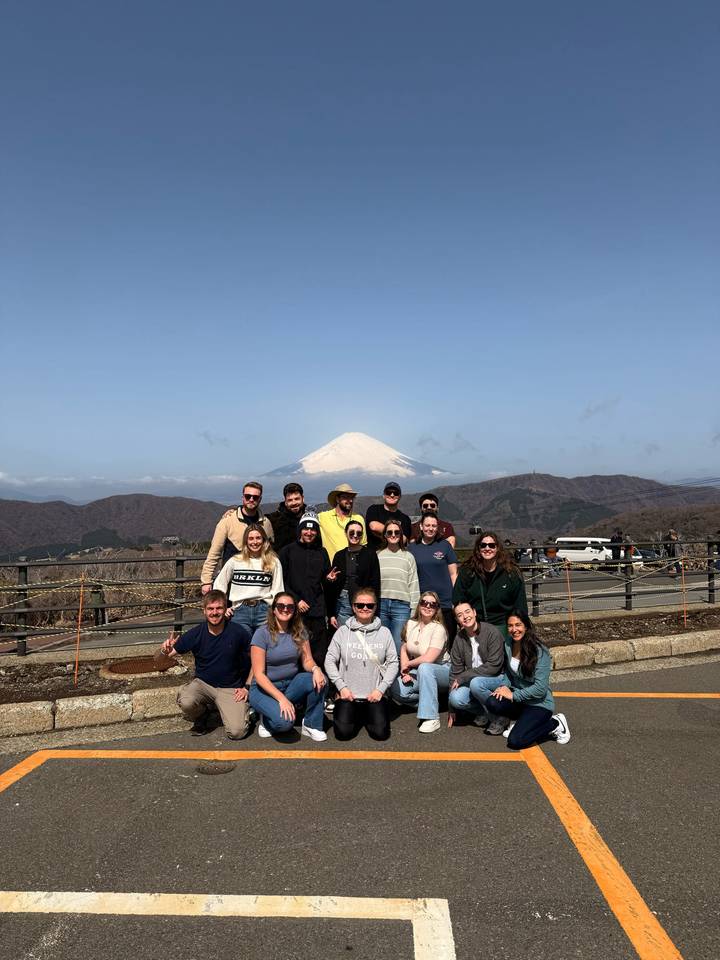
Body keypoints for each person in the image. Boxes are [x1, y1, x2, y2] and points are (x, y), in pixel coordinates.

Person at [162, 590, 252, 739]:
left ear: (225, 609)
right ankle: (202, 714)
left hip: (230, 688)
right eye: (210, 609)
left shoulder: (238, 632)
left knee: (237, 732)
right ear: (204, 611)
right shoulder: (196, 633)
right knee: (186, 701)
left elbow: (257, 660)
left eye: (219, 608)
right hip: (204, 684)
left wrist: (247, 687)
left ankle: (242, 710)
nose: (215, 613)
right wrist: (164, 651)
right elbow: (160, 660)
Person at [485, 610, 570, 749]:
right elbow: (508, 672)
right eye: (510, 625)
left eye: (518, 625)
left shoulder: (540, 651)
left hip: (539, 703)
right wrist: (505, 685)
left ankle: (555, 724)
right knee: (492, 702)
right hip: (521, 702)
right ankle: (521, 721)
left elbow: (540, 689)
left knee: (516, 741)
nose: (514, 630)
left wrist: (513, 695)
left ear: (526, 626)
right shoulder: (508, 644)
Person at [248, 593, 327, 741]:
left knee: (320, 680)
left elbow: (308, 660)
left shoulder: (299, 631)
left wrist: (316, 669)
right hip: (264, 689)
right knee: (284, 724)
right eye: (281, 606)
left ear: (295, 610)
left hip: (290, 685)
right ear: (274, 610)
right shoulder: (262, 634)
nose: (285, 609)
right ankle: (266, 719)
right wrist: (281, 699)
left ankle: (311, 724)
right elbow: (258, 675)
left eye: (290, 606)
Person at [324, 587, 399, 740]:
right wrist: (341, 687)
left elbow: (393, 662)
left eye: (369, 605)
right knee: (343, 734)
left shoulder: (384, 632)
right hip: (348, 695)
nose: (365, 608)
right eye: (360, 605)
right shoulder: (342, 632)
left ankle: (366, 714)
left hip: (374, 695)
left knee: (380, 734)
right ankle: (356, 714)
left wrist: (381, 689)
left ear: (375, 607)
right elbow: (329, 660)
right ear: (353, 607)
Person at [391, 591, 449, 734]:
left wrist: (408, 665)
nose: (428, 606)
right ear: (419, 605)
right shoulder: (411, 623)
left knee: (425, 667)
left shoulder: (438, 628)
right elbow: (404, 648)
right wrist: (404, 671)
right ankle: (433, 702)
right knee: (398, 690)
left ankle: (431, 717)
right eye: (424, 602)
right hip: (420, 668)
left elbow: (429, 658)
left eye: (432, 604)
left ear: (437, 608)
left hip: (443, 670)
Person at [200, 481, 274, 593]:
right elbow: (215, 552)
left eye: (255, 497)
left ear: (260, 499)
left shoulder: (266, 523)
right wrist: (206, 581)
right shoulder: (227, 521)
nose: (251, 499)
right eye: (248, 496)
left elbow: (270, 551)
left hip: (258, 583)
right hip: (232, 581)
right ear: (242, 497)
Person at [279, 512, 332, 668]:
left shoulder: (322, 552)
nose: (309, 533)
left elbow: (324, 578)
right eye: (306, 529)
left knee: (319, 651)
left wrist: (329, 579)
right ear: (300, 530)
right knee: (295, 649)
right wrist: (296, 601)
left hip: (317, 610)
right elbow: (281, 581)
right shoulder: (287, 551)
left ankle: (319, 685)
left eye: (313, 529)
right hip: (294, 611)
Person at [447, 602, 507, 734]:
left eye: (467, 612)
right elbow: (455, 672)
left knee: (476, 683)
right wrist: (451, 707)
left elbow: (494, 666)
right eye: (460, 615)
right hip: (475, 680)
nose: (465, 617)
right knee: (456, 698)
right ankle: (484, 712)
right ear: (457, 620)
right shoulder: (459, 638)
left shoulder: (491, 632)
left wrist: (465, 676)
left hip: (497, 677)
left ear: (474, 612)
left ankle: (499, 717)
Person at [213, 523, 284, 633]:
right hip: (239, 611)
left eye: (258, 538)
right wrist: (223, 607)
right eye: (251, 538)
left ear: (264, 540)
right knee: (242, 647)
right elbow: (219, 585)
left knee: (263, 647)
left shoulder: (273, 562)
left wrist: (276, 611)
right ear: (246, 541)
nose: (254, 542)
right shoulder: (235, 561)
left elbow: (278, 590)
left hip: (264, 611)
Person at [453, 532, 528, 631]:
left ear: (497, 548)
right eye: (483, 545)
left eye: (492, 545)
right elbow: (458, 599)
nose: (487, 548)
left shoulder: (511, 573)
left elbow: (520, 604)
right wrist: (464, 623)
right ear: (478, 549)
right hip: (476, 625)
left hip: (504, 625)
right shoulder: (468, 572)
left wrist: (519, 627)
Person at [408, 512, 458, 641]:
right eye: (427, 525)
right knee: (425, 639)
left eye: (434, 526)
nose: (430, 528)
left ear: (438, 527)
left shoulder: (445, 546)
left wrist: (456, 599)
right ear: (421, 526)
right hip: (424, 604)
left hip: (445, 602)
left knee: (447, 639)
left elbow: (453, 574)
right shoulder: (413, 548)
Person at [326, 520, 381, 629]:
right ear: (345, 533)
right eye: (352, 532)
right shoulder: (339, 555)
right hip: (343, 601)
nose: (355, 536)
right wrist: (331, 613)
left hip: (364, 602)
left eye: (359, 533)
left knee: (364, 635)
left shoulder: (370, 554)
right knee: (344, 635)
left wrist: (374, 608)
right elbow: (334, 587)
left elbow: (375, 582)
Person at [377, 518, 420, 653]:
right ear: (385, 535)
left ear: (401, 535)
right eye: (389, 532)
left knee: (398, 645)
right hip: (381, 605)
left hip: (401, 606)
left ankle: (399, 673)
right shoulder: (377, 556)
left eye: (397, 532)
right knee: (381, 645)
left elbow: (413, 584)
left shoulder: (408, 557)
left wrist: (414, 610)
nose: (393, 535)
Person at [318, 483, 367, 561]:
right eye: (346, 497)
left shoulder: (359, 519)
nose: (350, 500)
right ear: (337, 499)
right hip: (331, 568)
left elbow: (363, 545)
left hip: (353, 567)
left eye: (352, 497)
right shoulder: (323, 517)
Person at [365, 482, 412, 550]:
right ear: (383, 495)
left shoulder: (405, 518)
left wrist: (380, 533)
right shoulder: (374, 509)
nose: (392, 495)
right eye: (388, 492)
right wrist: (395, 533)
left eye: (396, 493)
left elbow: (403, 540)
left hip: (394, 556)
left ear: (400, 496)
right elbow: (374, 526)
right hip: (373, 556)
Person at [266, 483, 307, 552]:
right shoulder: (274, 520)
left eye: (297, 499)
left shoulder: (310, 519)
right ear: (285, 502)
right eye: (290, 500)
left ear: (303, 498)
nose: (294, 503)